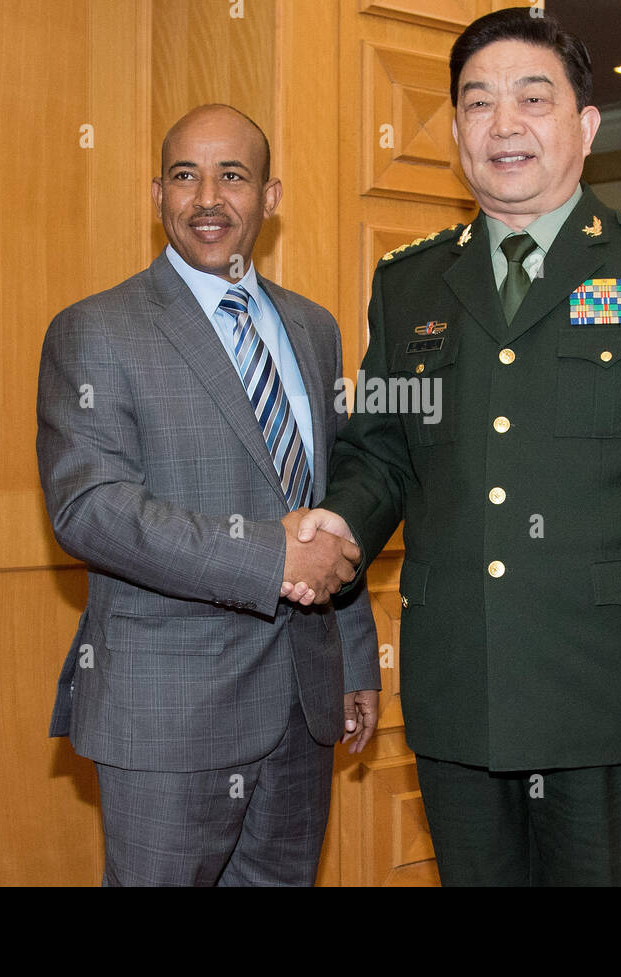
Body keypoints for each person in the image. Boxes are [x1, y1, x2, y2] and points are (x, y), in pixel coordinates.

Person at [289, 8, 621, 886]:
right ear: (458, 135)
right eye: (478, 104)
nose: (503, 125)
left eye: (531, 99)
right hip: (461, 681)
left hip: (615, 683)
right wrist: (338, 527)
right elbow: (386, 450)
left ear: (584, 127)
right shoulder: (411, 284)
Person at [37, 103, 380, 887]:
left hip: (302, 699)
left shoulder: (314, 329)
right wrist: (269, 553)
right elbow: (88, 509)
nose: (207, 199)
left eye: (233, 175)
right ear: (157, 193)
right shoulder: (97, 329)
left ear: (271, 195)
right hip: (168, 712)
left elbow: (329, 501)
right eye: (185, 176)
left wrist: (354, 654)